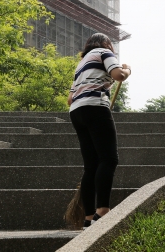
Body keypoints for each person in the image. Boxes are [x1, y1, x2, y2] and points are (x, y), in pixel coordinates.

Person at [67, 33, 131, 230]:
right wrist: (128, 71)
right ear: (106, 44)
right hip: (95, 107)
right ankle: (102, 211)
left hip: (77, 112)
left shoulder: (81, 65)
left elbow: (70, 99)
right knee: (109, 159)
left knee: (91, 165)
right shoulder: (104, 53)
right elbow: (118, 75)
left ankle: (88, 219)